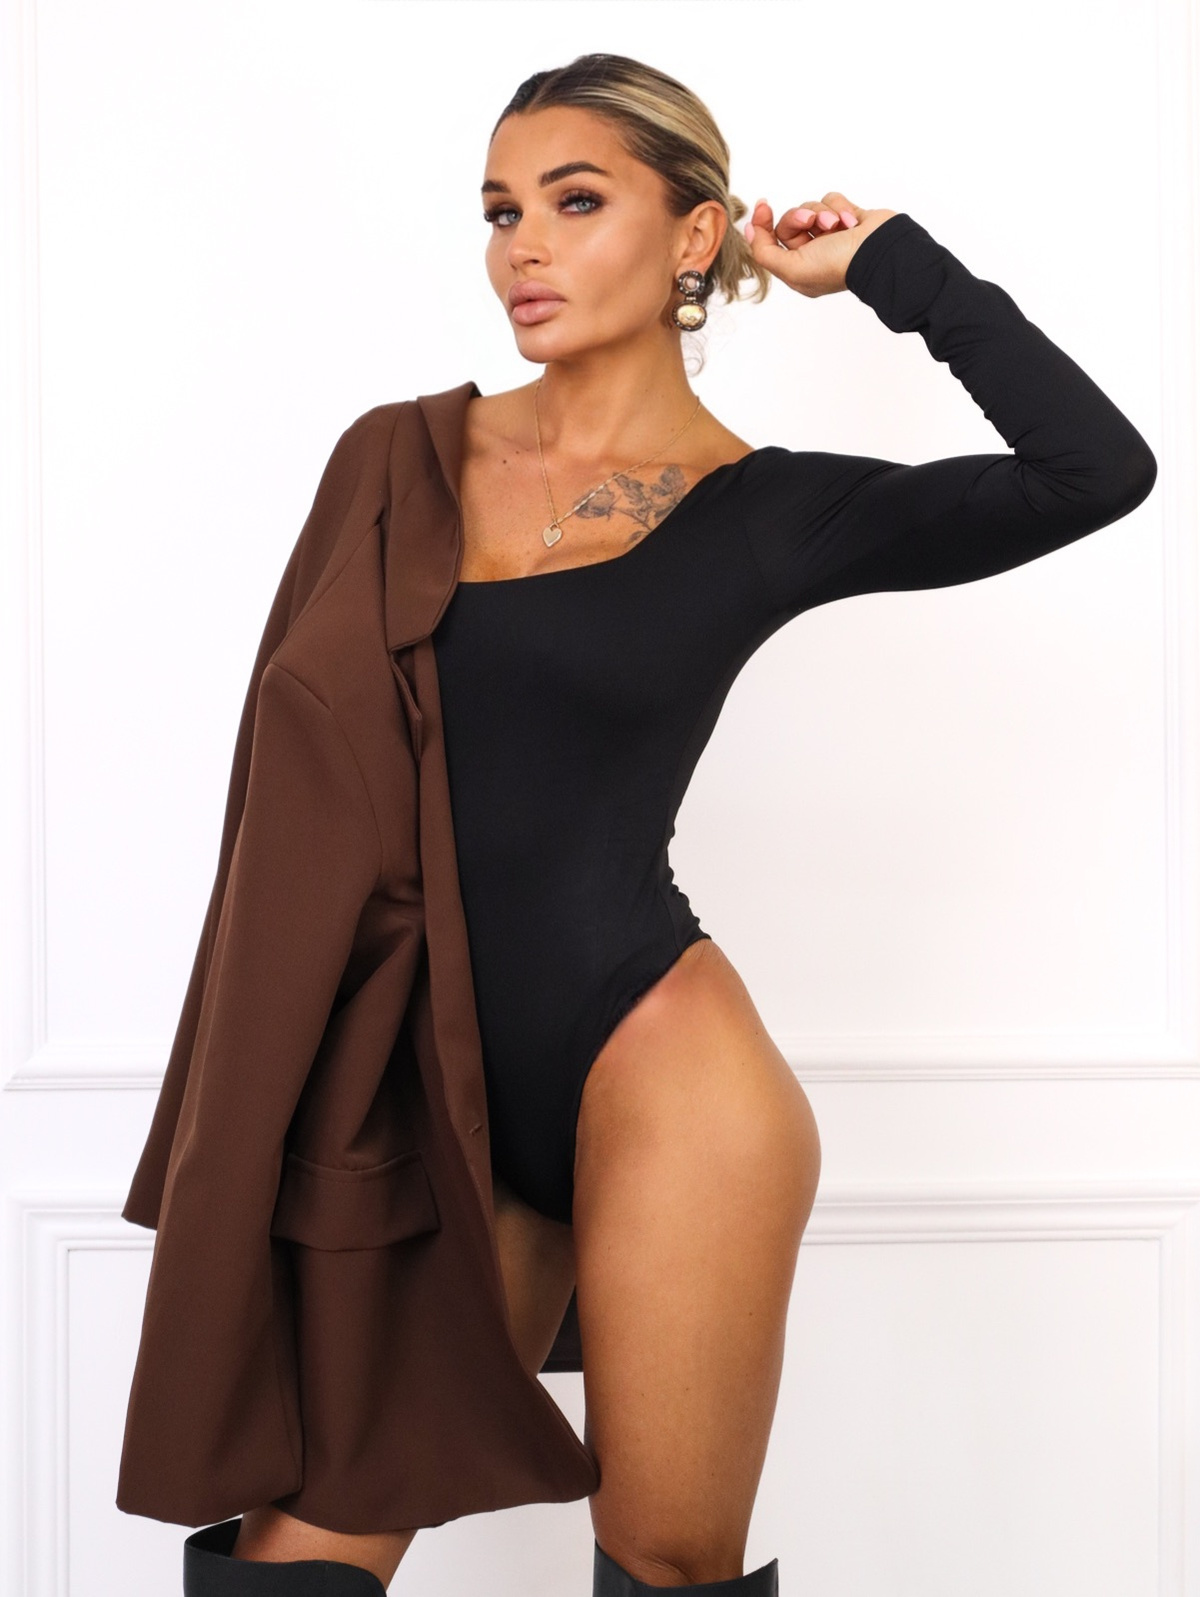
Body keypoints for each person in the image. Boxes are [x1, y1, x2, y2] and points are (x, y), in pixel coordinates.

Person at [182, 49, 1156, 1597]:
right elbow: (285, 803)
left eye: (576, 201)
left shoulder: (768, 511)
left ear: (695, 234)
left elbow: (1095, 469)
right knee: (293, 1559)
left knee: (665, 1558)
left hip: (660, 1065)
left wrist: (890, 266)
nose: (525, 246)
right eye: (501, 210)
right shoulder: (394, 459)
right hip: (425, 1079)